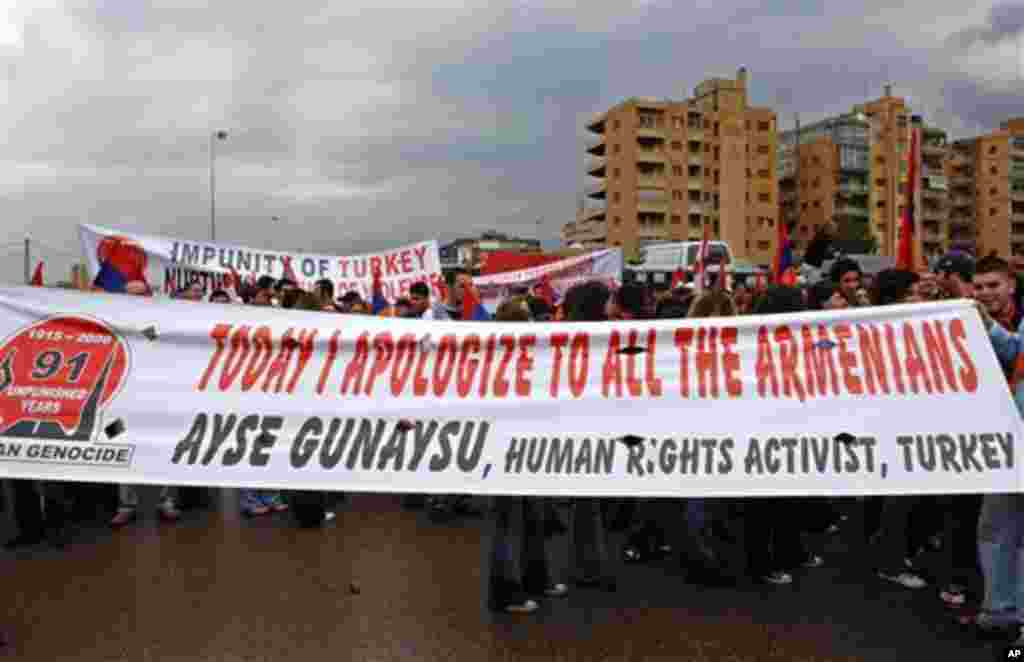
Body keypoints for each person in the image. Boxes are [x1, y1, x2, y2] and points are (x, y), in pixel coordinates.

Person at [483, 296, 568, 614]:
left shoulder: (534, 356)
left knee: (533, 517)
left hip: (530, 447)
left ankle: (535, 578)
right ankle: (503, 591)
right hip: (504, 449)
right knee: (508, 521)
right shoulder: (495, 359)